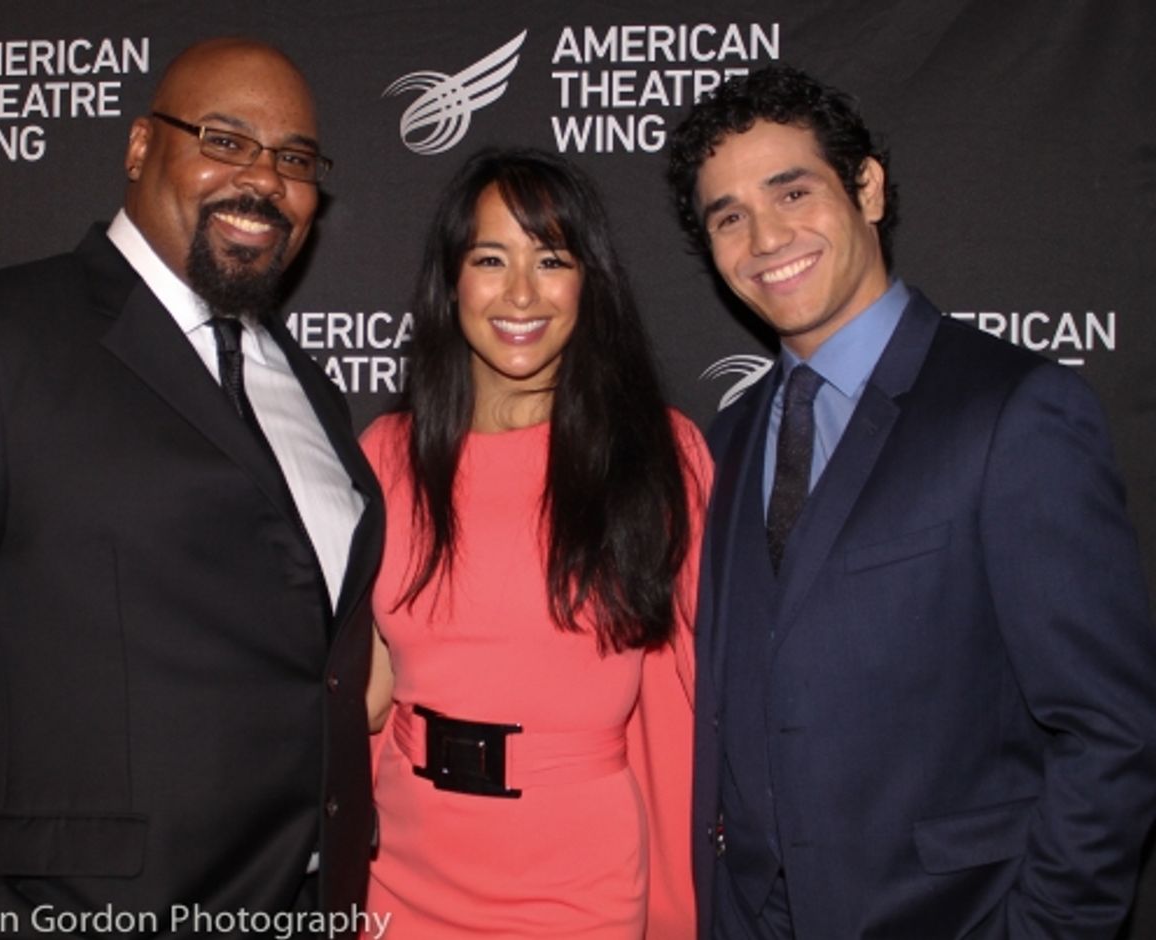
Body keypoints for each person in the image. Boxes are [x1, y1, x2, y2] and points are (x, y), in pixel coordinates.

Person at [0, 38, 384, 935]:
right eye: (225, 138)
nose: (263, 178)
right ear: (140, 147)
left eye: (295, 159)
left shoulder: (311, 390)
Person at [667, 65, 1156, 939]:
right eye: (728, 217)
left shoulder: (1014, 411)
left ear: (868, 188)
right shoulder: (730, 436)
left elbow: (1111, 732)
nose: (765, 237)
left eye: (792, 191)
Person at [360, 147, 710, 938]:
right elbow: (365, 694)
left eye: (551, 259)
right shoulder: (385, 455)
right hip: (398, 881)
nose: (521, 292)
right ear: (452, 281)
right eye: (491, 258)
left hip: (577, 889)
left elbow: (702, 690)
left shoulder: (659, 455)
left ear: (590, 281)